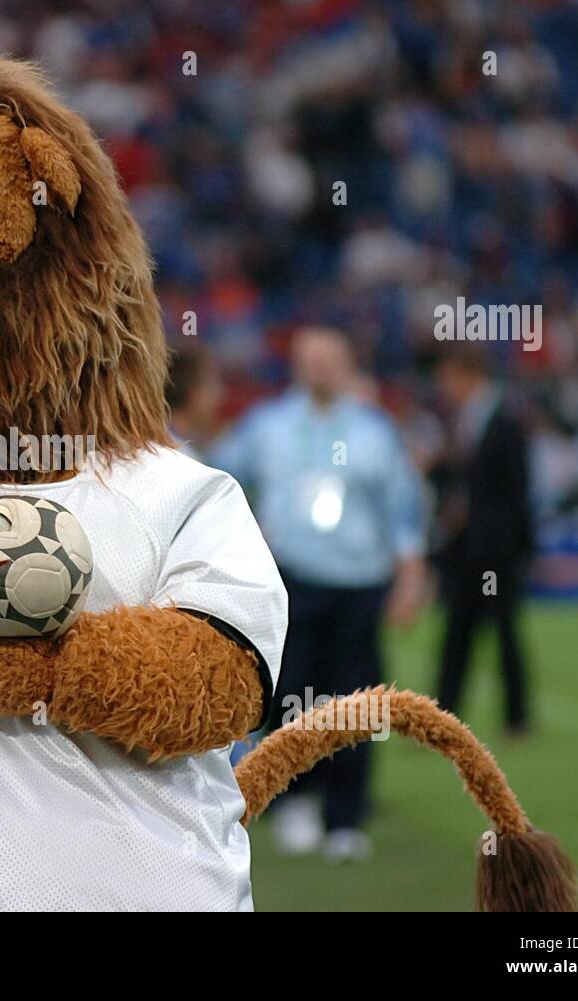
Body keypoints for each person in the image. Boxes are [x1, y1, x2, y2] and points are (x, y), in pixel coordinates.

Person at [211, 326, 426, 862]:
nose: (320, 368)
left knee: (358, 704)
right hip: (292, 581)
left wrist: (411, 576)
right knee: (291, 694)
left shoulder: (374, 430)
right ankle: (294, 801)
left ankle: (347, 815)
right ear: (296, 364)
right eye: (310, 359)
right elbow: (217, 478)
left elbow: (402, 507)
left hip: (359, 584)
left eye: (331, 358)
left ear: (348, 362)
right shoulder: (268, 426)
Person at [433, 345, 535, 736]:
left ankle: (517, 718)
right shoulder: (468, 420)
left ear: (467, 373)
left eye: (448, 377)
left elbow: (516, 491)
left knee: (504, 632)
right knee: (457, 633)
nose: (444, 387)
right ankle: (442, 718)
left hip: (495, 553)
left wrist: (518, 547)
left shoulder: (504, 420)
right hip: (467, 550)